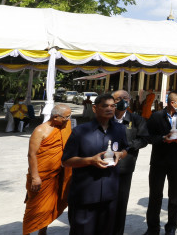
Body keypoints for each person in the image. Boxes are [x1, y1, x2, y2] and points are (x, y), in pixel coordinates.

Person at [61, 94, 129, 234]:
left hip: (110, 192)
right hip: (86, 194)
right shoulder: (80, 131)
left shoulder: (120, 129)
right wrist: (90, 160)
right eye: (105, 106)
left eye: (112, 106)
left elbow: (125, 149)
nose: (110, 109)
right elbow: (66, 161)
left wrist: (120, 154)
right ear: (94, 108)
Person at [145, 90, 177, 235]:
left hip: (176, 162)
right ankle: (153, 228)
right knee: (155, 196)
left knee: (175, 196)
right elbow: (148, 137)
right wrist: (163, 138)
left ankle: (171, 227)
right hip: (159, 161)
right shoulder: (156, 116)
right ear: (173, 103)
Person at [23, 104, 73, 235]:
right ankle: (27, 231)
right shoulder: (40, 130)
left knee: (49, 207)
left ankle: (43, 232)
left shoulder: (64, 127)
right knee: (34, 207)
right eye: (66, 117)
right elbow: (31, 154)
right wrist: (35, 177)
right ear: (56, 117)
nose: (68, 120)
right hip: (41, 175)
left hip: (59, 174)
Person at [112, 90, 149, 235]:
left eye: (125, 98)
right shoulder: (106, 117)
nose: (121, 100)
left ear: (129, 100)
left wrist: (128, 147)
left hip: (125, 166)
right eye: (118, 98)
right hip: (104, 166)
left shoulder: (137, 119)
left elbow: (144, 139)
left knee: (121, 201)